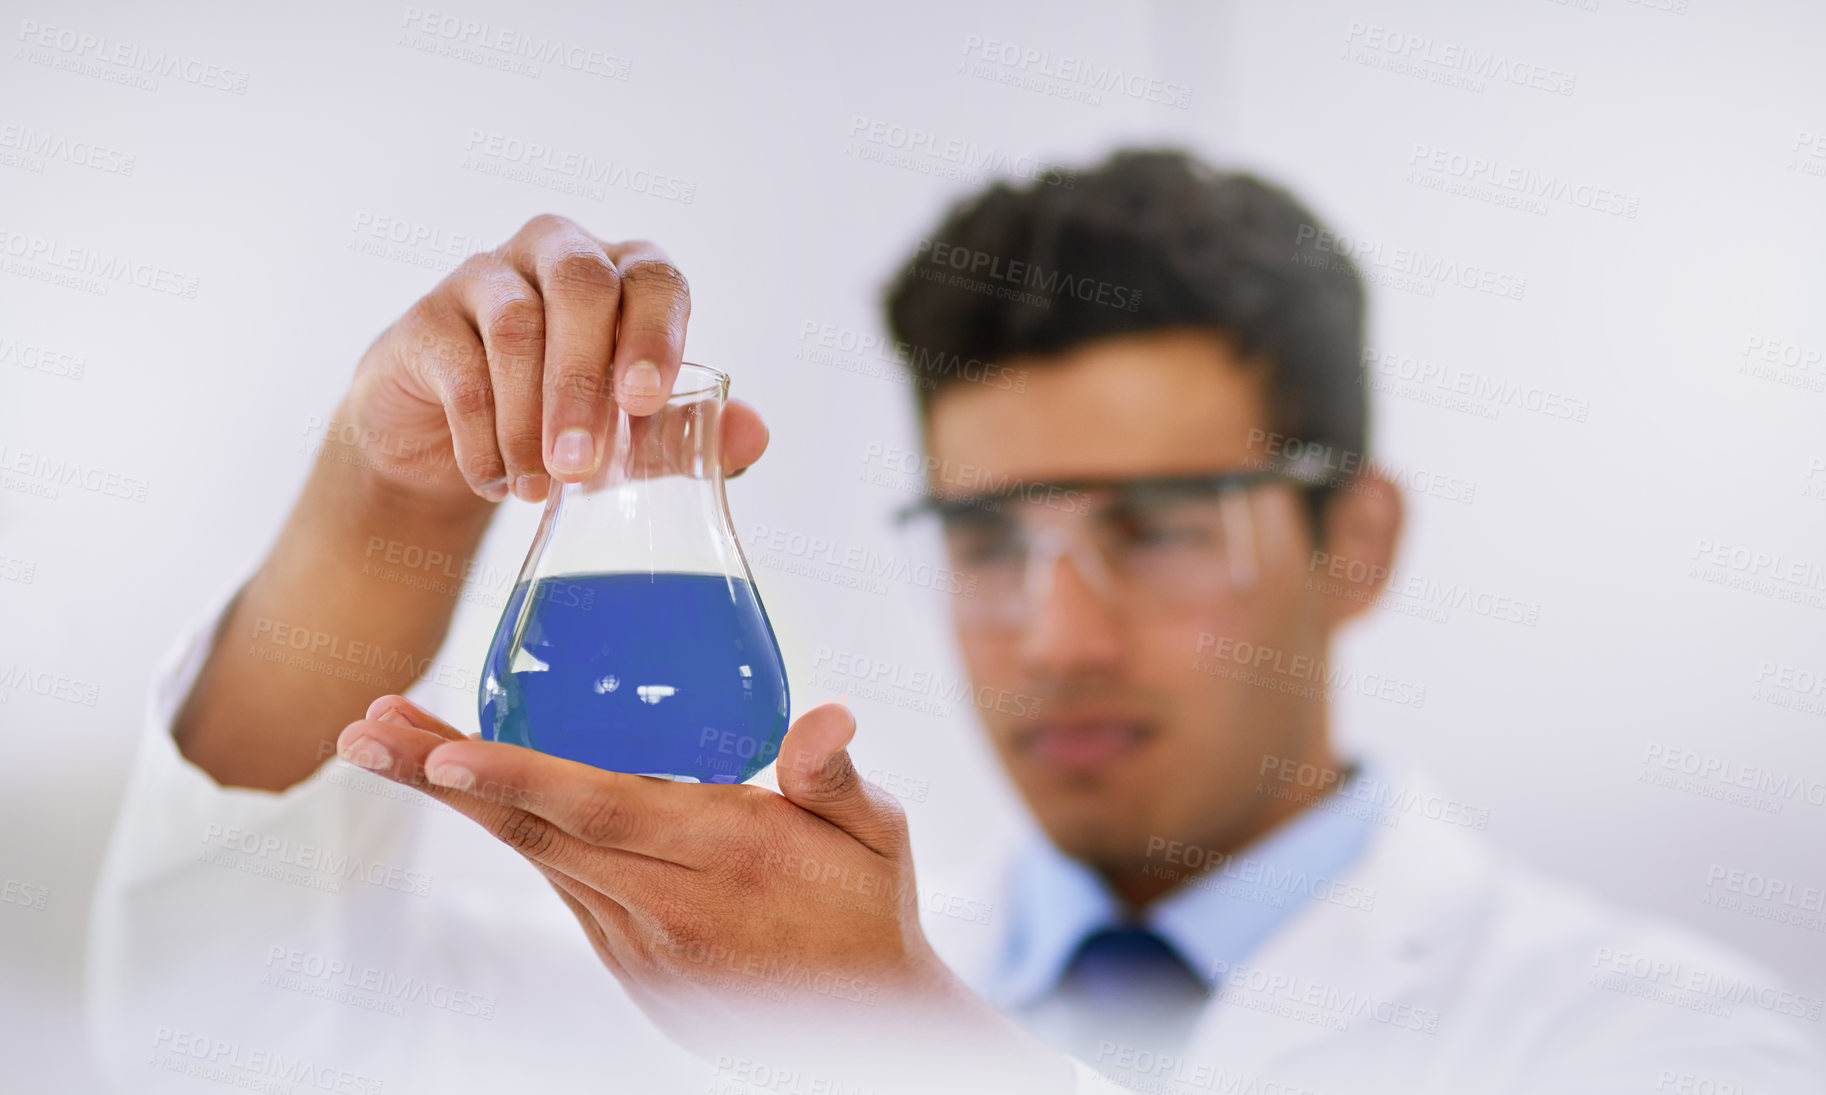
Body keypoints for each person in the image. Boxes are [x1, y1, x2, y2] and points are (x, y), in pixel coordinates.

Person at [88, 150, 1824, 1094]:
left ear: (1351, 540)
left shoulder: (1648, 1039)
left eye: (1154, 526)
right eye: (987, 536)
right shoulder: (710, 965)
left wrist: (891, 1035)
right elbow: (220, 1043)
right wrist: (393, 493)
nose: (1052, 630)